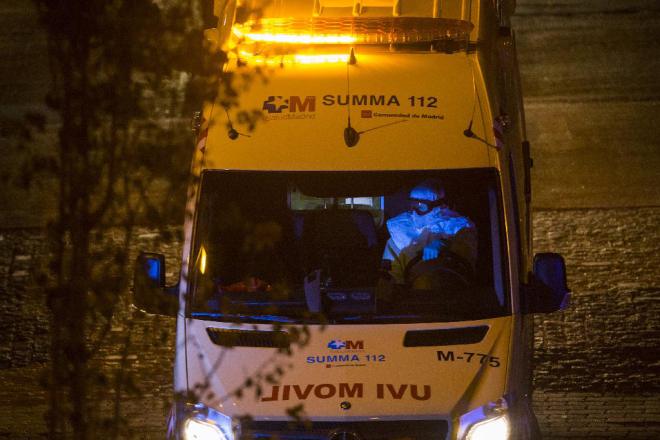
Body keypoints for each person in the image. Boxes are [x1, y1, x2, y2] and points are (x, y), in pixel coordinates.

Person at [382, 179, 477, 284]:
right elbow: (391, 277)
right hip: (413, 295)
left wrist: (443, 244)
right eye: (413, 205)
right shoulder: (399, 234)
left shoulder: (459, 228)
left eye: (421, 206)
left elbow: (466, 258)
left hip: (450, 292)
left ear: (440, 205)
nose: (415, 212)